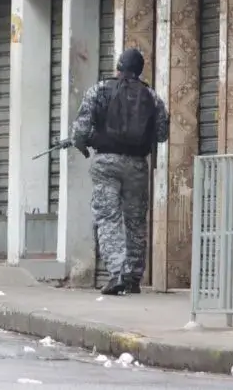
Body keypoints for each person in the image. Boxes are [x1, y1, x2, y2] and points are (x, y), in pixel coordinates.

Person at [71, 47, 169, 296]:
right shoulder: (152, 96)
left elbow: (80, 130)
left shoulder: (99, 90)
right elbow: (162, 133)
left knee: (108, 217)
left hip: (105, 164)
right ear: (140, 70)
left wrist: (84, 145)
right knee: (136, 220)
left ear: (118, 67)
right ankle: (134, 277)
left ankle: (116, 273)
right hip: (137, 164)